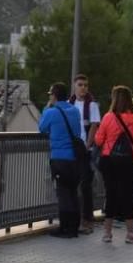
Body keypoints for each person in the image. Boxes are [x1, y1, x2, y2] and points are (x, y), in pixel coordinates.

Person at [95, 85, 133, 244]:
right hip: (129, 162)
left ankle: (107, 233)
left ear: (115, 99)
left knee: (111, 195)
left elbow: (98, 140)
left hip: (109, 160)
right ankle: (130, 233)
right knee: (127, 196)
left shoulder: (108, 117)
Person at [38, 82, 84, 239]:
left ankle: (66, 228)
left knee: (63, 194)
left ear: (54, 96)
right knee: (73, 192)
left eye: (51, 95)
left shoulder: (51, 112)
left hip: (59, 158)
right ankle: (75, 226)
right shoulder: (75, 111)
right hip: (75, 159)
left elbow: (42, 128)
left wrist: (47, 107)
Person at [69, 73, 101, 234]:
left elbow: (94, 126)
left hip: (85, 149)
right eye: (80, 85)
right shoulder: (70, 104)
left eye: (85, 85)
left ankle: (87, 219)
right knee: (72, 184)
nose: (83, 88)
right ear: (74, 86)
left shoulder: (92, 105)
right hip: (72, 148)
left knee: (85, 185)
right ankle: (74, 218)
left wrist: (88, 145)